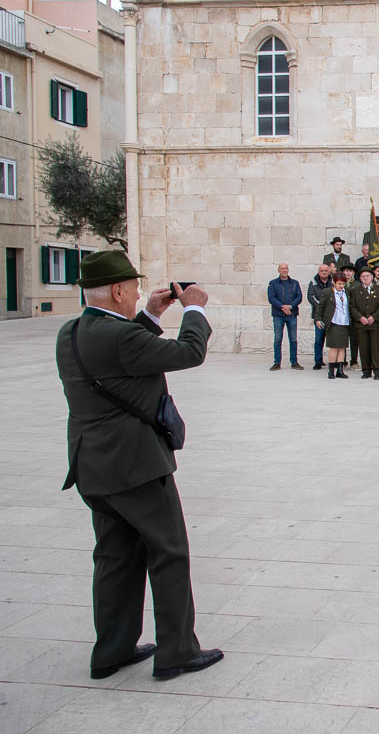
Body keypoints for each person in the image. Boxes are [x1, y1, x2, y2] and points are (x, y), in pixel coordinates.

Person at [56, 251, 222, 681]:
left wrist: (149, 313)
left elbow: (120, 354)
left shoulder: (72, 332)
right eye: (131, 289)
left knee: (114, 556)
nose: (134, 294)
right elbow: (187, 352)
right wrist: (195, 307)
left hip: (94, 466)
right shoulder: (118, 338)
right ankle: (177, 651)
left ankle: (111, 650)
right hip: (136, 467)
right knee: (168, 552)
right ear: (116, 290)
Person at [349, 266, 379, 380]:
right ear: (359, 278)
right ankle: (366, 371)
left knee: (376, 348)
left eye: (367, 276)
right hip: (361, 324)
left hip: (375, 324)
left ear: (372, 277)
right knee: (363, 348)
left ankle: (377, 370)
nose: (365, 278)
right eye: (363, 276)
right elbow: (352, 306)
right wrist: (360, 317)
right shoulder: (355, 290)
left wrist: (374, 317)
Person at [267, 263, 304, 371]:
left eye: (286, 268)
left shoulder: (295, 283)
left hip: (292, 315)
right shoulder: (273, 283)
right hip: (278, 315)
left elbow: (299, 297)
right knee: (278, 339)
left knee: (293, 339)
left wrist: (290, 307)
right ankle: (277, 362)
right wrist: (283, 307)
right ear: (278, 270)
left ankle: (294, 362)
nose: (284, 270)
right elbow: (271, 298)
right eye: (282, 268)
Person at [317, 272, 351, 378]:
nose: (341, 286)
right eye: (339, 284)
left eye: (343, 284)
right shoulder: (327, 292)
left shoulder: (347, 292)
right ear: (334, 283)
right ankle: (331, 370)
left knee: (342, 347)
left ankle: (340, 370)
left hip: (344, 322)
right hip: (334, 322)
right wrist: (318, 319)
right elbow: (320, 307)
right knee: (334, 347)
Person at [306, 263, 333, 370]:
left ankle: (333, 361)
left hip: (331, 316)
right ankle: (318, 361)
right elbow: (310, 296)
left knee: (332, 339)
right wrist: (322, 307)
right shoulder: (313, 282)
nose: (324, 272)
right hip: (319, 316)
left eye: (326, 270)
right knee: (318, 339)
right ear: (318, 272)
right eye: (322, 271)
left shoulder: (333, 282)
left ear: (329, 272)